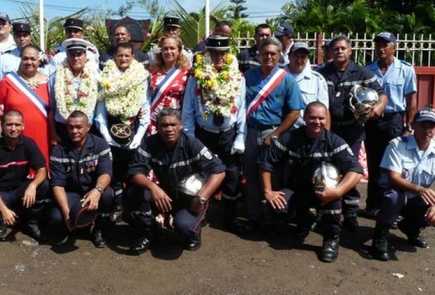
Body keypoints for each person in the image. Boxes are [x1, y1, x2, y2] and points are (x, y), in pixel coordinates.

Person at [258, 101, 364, 262]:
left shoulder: (334, 141)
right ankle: (304, 219)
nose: (317, 122)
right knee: (278, 206)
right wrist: (268, 192)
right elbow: (265, 162)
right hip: (297, 187)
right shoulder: (291, 137)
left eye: (321, 118)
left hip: (324, 191)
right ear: (305, 118)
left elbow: (356, 171)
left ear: (326, 119)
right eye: (312, 118)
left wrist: (338, 191)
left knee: (334, 201)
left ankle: (331, 239)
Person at [127, 108, 226, 255]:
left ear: (180, 125)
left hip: (190, 197)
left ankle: (193, 232)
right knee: (133, 192)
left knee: (184, 227)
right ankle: (149, 234)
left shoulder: (192, 144)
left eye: (173, 125)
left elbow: (219, 171)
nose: (169, 129)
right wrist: (153, 187)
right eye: (164, 125)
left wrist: (201, 197)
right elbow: (134, 172)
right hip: (164, 194)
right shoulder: (149, 143)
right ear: (157, 127)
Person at [317, 35, 388, 232]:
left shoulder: (362, 72)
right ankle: (327, 210)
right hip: (329, 130)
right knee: (328, 168)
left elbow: (381, 93)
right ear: (329, 52)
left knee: (349, 168)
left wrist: (379, 107)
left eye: (343, 48)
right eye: (335, 48)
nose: (339, 51)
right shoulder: (321, 73)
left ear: (350, 51)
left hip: (353, 130)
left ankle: (350, 212)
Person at [370, 107, 435, 261]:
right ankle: (380, 236)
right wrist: (418, 189)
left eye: (431, 126)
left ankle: (411, 228)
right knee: (393, 196)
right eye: (423, 125)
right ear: (413, 125)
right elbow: (393, 178)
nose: (427, 130)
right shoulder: (397, 145)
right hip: (394, 197)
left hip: (416, 201)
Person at [182, 35, 246, 233]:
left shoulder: (237, 76)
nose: (219, 56)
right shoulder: (197, 76)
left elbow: (241, 108)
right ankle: (199, 217)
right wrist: (190, 137)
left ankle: (229, 218)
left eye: (223, 53)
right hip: (204, 134)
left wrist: (240, 137)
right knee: (201, 176)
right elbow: (188, 109)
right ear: (207, 53)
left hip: (227, 134)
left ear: (228, 54)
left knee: (232, 176)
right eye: (215, 53)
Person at [241, 36, 304, 233]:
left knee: (273, 176)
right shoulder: (247, 77)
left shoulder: (287, 80)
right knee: (251, 175)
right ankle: (254, 217)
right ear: (259, 55)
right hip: (250, 131)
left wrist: (276, 134)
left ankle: (272, 215)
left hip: (274, 131)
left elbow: (295, 111)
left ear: (279, 56)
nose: (269, 57)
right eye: (265, 53)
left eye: (273, 54)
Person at [363, 31, 417, 218]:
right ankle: (373, 204)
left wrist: (408, 127)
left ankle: (393, 206)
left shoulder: (406, 69)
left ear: (395, 47)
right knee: (374, 162)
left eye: (385, 44)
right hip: (373, 120)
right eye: (378, 44)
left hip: (394, 120)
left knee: (394, 164)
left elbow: (411, 101)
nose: (381, 48)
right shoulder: (368, 69)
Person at [95, 42, 150, 222]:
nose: (124, 59)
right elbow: (100, 113)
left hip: (133, 131)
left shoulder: (141, 77)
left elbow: (145, 107)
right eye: (120, 56)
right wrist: (107, 137)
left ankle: (134, 208)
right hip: (111, 131)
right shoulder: (106, 78)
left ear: (133, 57)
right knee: (115, 172)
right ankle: (118, 205)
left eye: (127, 55)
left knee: (134, 170)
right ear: (114, 57)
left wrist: (140, 135)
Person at [0, 110, 49, 241]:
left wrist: (32, 186)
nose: (13, 128)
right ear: (3, 126)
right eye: (9, 125)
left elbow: (42, 170)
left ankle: (31, 221)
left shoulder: (29, 144)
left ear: (23, 126)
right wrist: (3, 209)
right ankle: (1, 220)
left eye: (17, 124)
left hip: (19, 189)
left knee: (43, 184)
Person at [50, 111, 113, 248]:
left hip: (93, 189)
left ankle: (99, 229)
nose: (74, 131)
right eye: (70, 127)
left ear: (88, 126)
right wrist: (67, 213)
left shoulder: (100, 145)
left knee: (107, 194)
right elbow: (57, 184)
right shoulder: (58, 150)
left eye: (79, 127)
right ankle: (77, 221)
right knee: (57, 218)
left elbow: (106, 173)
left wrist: (97, 190)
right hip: (72, 193)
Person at [0, 45, 51, 170]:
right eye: (25, 59)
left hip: (42, 134)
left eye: (33, 59)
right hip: (15, 135)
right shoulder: (8, 81)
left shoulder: (48, 82)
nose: (29, 62)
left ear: (39, 60)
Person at [49, 38, 100, 146]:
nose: (76, 58)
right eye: (72, 54)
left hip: (89, 129)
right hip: (64, 129)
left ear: (85, 56)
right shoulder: (56, 77)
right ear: (67, 57)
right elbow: (51, 108)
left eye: (79, 54)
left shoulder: (96, 75)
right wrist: (53, 133)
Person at [148, 34, 191, 134]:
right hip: (154, 123)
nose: (169, 52)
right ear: (161, 50)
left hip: (175, 125)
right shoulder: (152, 71)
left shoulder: (187, 72)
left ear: (179, 50)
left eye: (172, 48)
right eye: (165, 48)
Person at [285, 41, 330, 128]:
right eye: (295, 56)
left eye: (303, 57)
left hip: (307, 131)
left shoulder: (317, 80)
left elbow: (324, 110)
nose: (299, 60)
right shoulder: (278, 76)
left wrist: (325, 136)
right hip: (281, 130)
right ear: (289, 57)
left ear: (307, 59)